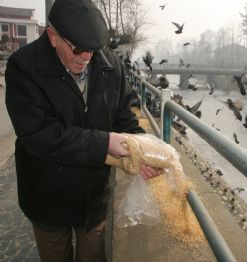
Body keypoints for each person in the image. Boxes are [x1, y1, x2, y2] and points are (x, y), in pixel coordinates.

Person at [5, 0, 161, 261]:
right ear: (53, 37)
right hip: (47, 198)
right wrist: (104, 144)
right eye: (78, 49)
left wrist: (142, 148)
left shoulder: (110, 65)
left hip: (93, 198)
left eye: (92, 49)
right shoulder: (23, 67)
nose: (86, 58)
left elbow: (124, 115)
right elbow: (40, 135)